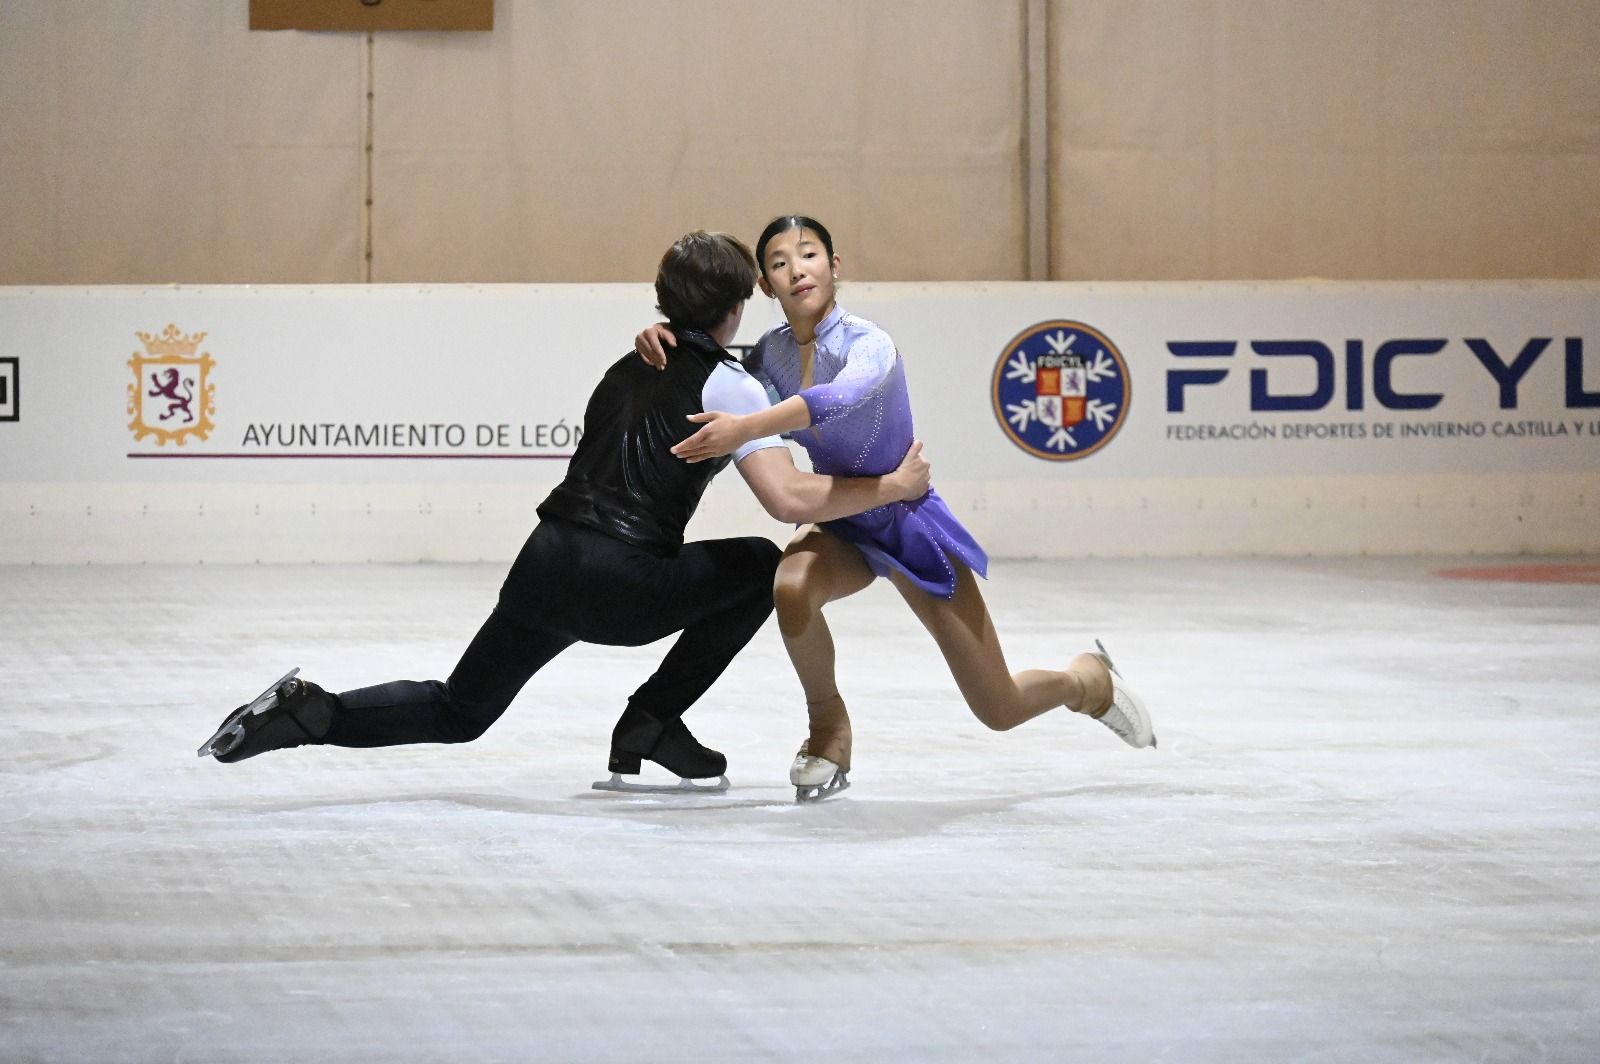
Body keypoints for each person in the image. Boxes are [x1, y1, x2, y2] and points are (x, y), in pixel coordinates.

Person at [197, 231, 931, 792]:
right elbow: (788, 501)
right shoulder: (727, 384)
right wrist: (893, 488)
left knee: (459, 710)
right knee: (759, 568)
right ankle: (649, 721)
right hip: (625, 585)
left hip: (544, 563)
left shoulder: (628, 365)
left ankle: (311, 713)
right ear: (738, 306)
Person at [635, 215, 1155, 800]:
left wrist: (748, 425)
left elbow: (836, 398)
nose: (796, 270)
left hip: (908, 516)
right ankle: (828, 729)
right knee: (790, 586)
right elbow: (715, 373)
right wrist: (664, 336)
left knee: (998, 707)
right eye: (779, 262)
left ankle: (1086, 681)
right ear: (765, 285)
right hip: (842, 519)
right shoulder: (769, 357)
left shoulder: (868, 343)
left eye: (809, 255)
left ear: (835, 266)